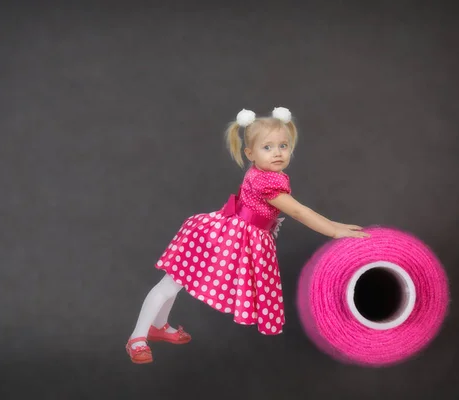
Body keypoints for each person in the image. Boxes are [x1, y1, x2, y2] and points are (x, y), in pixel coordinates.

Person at [126, 106, 369, 364]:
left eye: (283, 145)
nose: (277, 152)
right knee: (170, 284)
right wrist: (334, 229)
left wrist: (334, 223)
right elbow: (299, 211)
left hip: (233, 236)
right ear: (250, 153)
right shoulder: (268, 182)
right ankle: (137, 337)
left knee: (176, 283)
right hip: (223, 239)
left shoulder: (267, 174)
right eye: (268, 147)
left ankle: (159, 327)